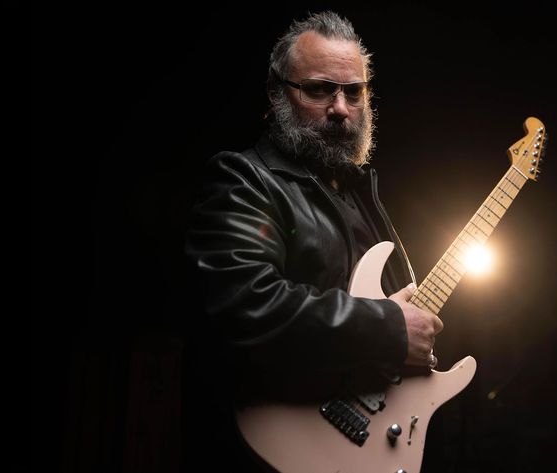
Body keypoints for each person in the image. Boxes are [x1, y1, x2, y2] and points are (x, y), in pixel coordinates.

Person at [182, 11, 444, 471]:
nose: (341, 108)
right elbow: (245, 304)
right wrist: (387, 326)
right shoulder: (243, 179)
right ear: (276, 95)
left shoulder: (362, 191)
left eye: (354, 92)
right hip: (262, 454)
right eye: (320, 89)